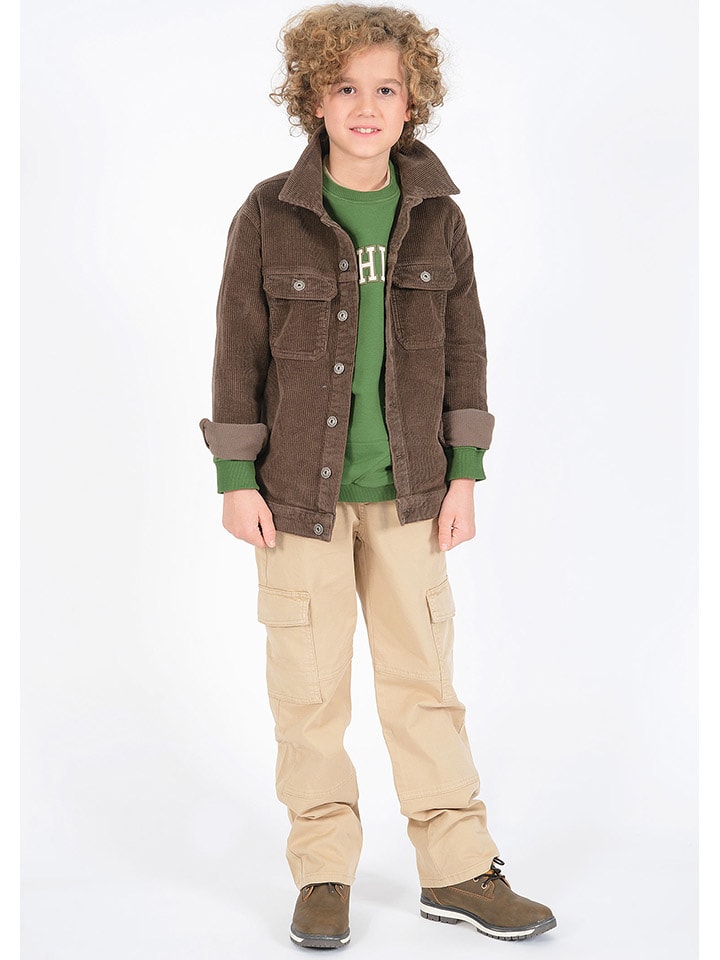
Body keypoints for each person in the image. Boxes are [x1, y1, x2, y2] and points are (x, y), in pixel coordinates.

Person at [200, 3, 556, 948]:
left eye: (386, 89)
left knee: (423, 684)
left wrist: (466, 472)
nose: (366, 106)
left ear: (412, 102)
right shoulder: (267, 213)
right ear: (313, 100)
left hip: (412, 495)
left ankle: (458, 868)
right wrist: (236, 476)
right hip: (293, 502)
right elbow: (237, 351)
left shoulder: (439, 217)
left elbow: (467, 350)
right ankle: (323, 872)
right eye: (346, 87)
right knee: (308, 694)